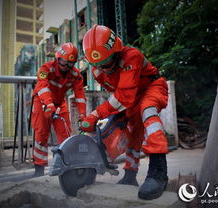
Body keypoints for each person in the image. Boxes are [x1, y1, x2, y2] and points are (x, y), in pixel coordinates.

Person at [81, 24, 169, 200]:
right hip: (131, 96)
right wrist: (116, 114)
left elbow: (124, 96)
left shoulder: (132, 57)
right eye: (96, 63)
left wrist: (96, 114)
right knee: (133, 133)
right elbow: (117, 94)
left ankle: (158, 173)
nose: (102, 67)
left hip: (152, 87)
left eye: (105, 62)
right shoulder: (98, 71)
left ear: (116, 51)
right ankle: (130, 176)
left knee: (148, 111)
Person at [31, 42, 86, 177]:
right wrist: (48, 105)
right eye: (63, 63)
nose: (65, 67)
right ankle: (39, 169)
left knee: (65, 135)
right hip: (41, 101)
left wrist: (83, 114)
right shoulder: (46, 69)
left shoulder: (75, 75)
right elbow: (42, 87)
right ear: (57, 58)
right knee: (41, 135)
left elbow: (80, 95)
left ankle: (66, 167)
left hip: (59, 103)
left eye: (69, 64)